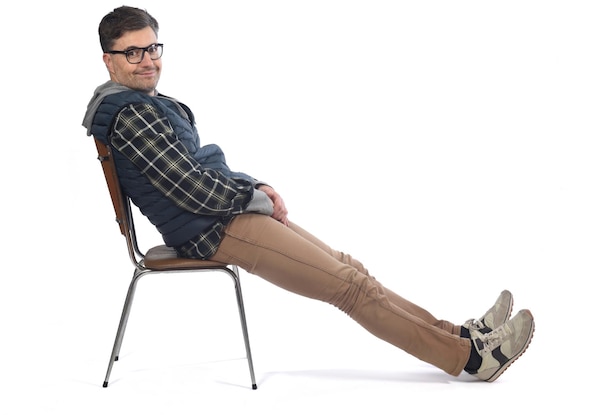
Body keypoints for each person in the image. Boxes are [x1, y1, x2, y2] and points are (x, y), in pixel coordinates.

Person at [82, 5, 535, 383]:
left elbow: (199, 170)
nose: (147, 59)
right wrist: (253, 197)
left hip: (222, 217)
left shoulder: (143, 103)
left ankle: (459, 335)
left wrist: (254, 186)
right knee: (350, 288)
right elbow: (194, 189)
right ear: (109, 60)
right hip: (210, 229)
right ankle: (472, 361)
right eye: (133, 52)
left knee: (351, 269)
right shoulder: (133, 114)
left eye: (153, 48)